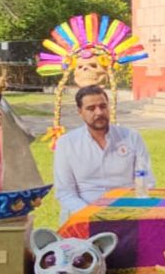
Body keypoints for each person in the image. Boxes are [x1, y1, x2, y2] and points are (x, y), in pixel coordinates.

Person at [53, 85, 153, 222]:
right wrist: (93, 215)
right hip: (83, 215)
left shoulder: (131, 137)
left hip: (127, 213)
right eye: (91, 108)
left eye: (103, 106)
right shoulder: (67, 143)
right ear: (80, 112)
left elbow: (146, 181)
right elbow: (65, 192)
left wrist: (128, 211)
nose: (99, 112)